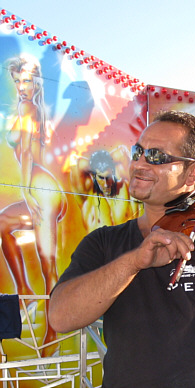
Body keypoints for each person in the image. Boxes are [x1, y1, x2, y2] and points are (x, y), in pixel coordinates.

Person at [48, 110, 195, 387]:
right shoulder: (104, 242)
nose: (139, 164)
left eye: (157, 157)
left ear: (193, 172)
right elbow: (61, 318)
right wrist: (134, 262)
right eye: (138, 152)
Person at [0, 54, 67, 354]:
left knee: (48, 265)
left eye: (26, 80)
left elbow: (27, 153)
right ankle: (24, 289)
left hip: (41, 188)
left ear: (37, 80)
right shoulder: (27, 107)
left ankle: (52, 331)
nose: (22, 87)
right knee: (3, 225)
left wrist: (25, 191)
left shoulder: (29, 108)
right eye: (17, 81)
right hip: (39, 185)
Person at [70, 146, 143, 231]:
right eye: (101, 178)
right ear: (94, 176)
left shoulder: (126, 188)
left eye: (108, 177)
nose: (105, 184)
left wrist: (106, 160)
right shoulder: (87, 196)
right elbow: (78, 166)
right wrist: (97, 161)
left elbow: (121, 153)